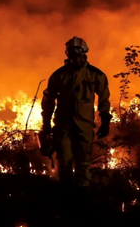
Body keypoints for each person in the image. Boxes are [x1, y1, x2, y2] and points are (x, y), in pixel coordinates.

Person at [40, 36, 111, 187]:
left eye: (77, 54)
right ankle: (65, 196)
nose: (74, 58)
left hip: (84, 126)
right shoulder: (59, 76)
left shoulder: (95, 75)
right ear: (67, 54)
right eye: (71, 54)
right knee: (64, 161)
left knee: (83, 163)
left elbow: (104, 98)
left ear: (84, 53)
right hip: (63, 126)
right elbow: (49, 101)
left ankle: (82, 198)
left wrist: (105, 120)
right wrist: (46, 125)